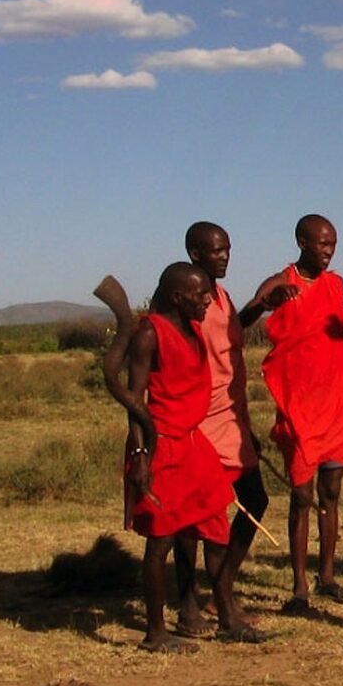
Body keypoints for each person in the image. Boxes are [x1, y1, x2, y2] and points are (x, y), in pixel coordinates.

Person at [121, 262, 237, 652]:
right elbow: (135, 402)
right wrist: (140, 455)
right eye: (200, 294)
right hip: (161, 446)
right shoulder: (149, 334)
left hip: (192, 443)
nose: (207, 300)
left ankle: (228, 616)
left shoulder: (193, 328)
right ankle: (155, 632)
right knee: (161, 541)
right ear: (177, 297)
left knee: (216, 525)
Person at [253, 215, 343, 611]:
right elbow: (244, 318)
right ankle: (299, 586)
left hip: (337, 402)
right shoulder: (280, 282)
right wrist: (267, 302)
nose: (329, 251)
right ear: (302, 242)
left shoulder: (336, 285)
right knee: (301, 495)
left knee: (330, 493)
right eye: (322, 244)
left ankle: (327, 577)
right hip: (299, 405)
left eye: (333, 244)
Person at [182, 221, 274, 642]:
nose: (225, 257)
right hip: (201, 419)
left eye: (228, 249)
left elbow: (231, 329)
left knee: (255, 499)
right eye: (217, 251)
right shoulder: (190, 299)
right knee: (198, 516)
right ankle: (191, 604)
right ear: (195, 254)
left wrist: (260, 305)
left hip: (231, 416)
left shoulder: (220, 296)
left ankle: (222, 590)